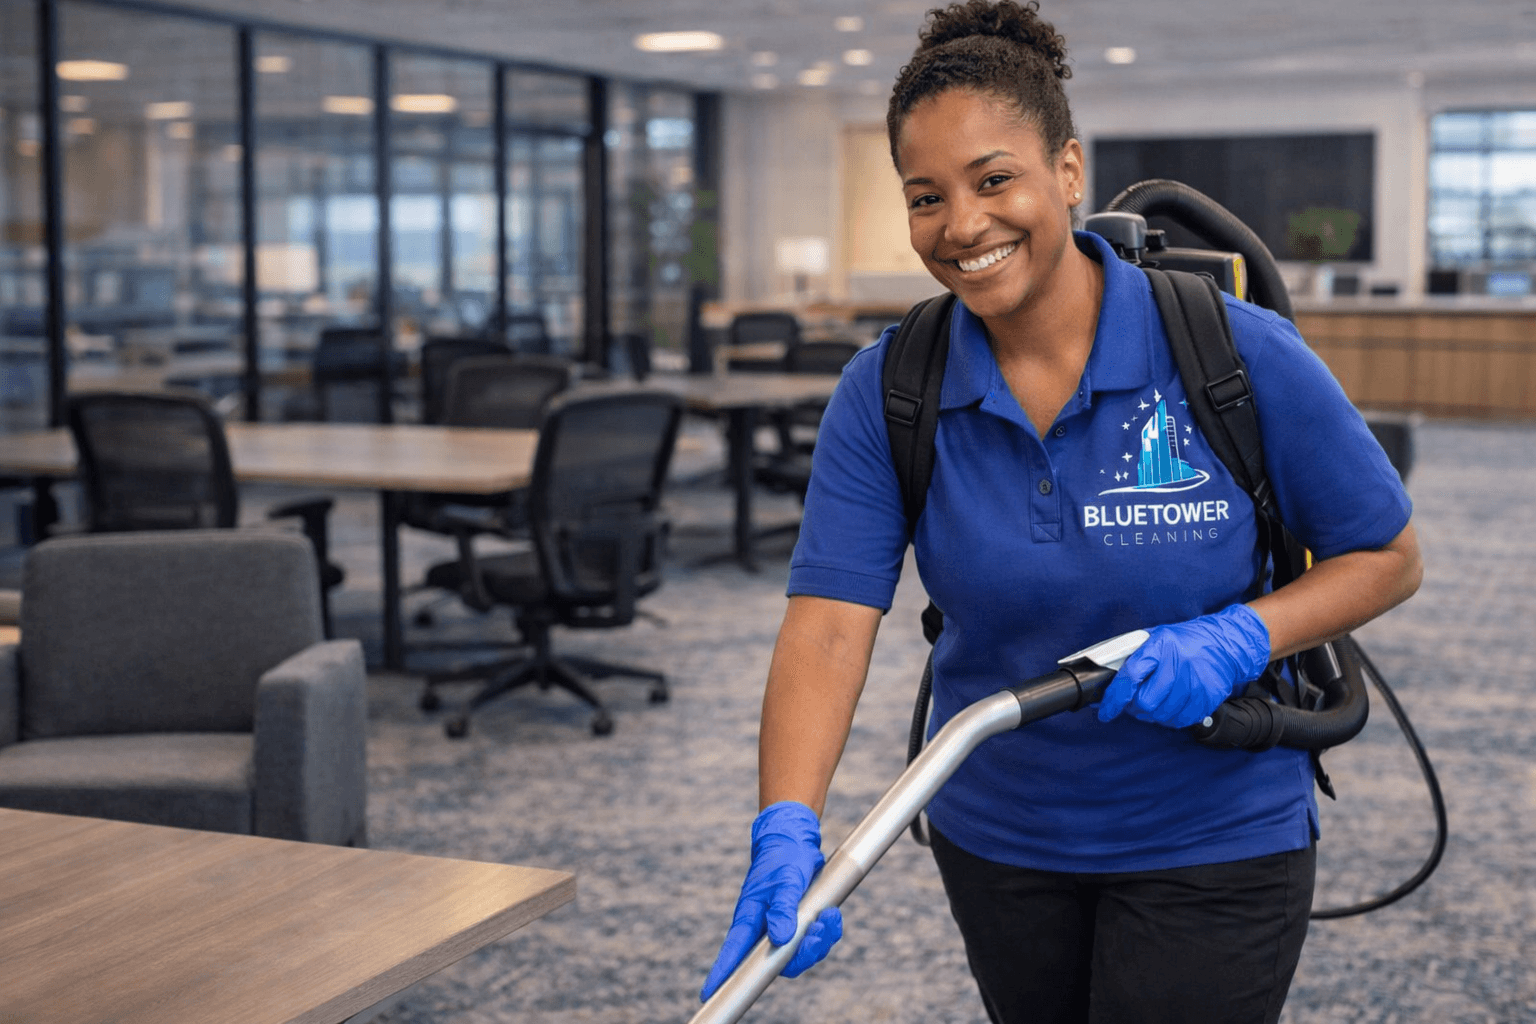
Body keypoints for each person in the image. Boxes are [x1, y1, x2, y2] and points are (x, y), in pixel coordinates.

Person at [699, 2, 1423, 1021]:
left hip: (1214, 830)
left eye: (994, 179)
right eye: (925, 197)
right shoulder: (890, 389)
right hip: (999, 834)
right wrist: (786, 822)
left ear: (1068, 171)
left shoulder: (1233, 352)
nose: (962, 225)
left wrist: (1239, 636)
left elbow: (1387, 554)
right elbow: (826, 626)